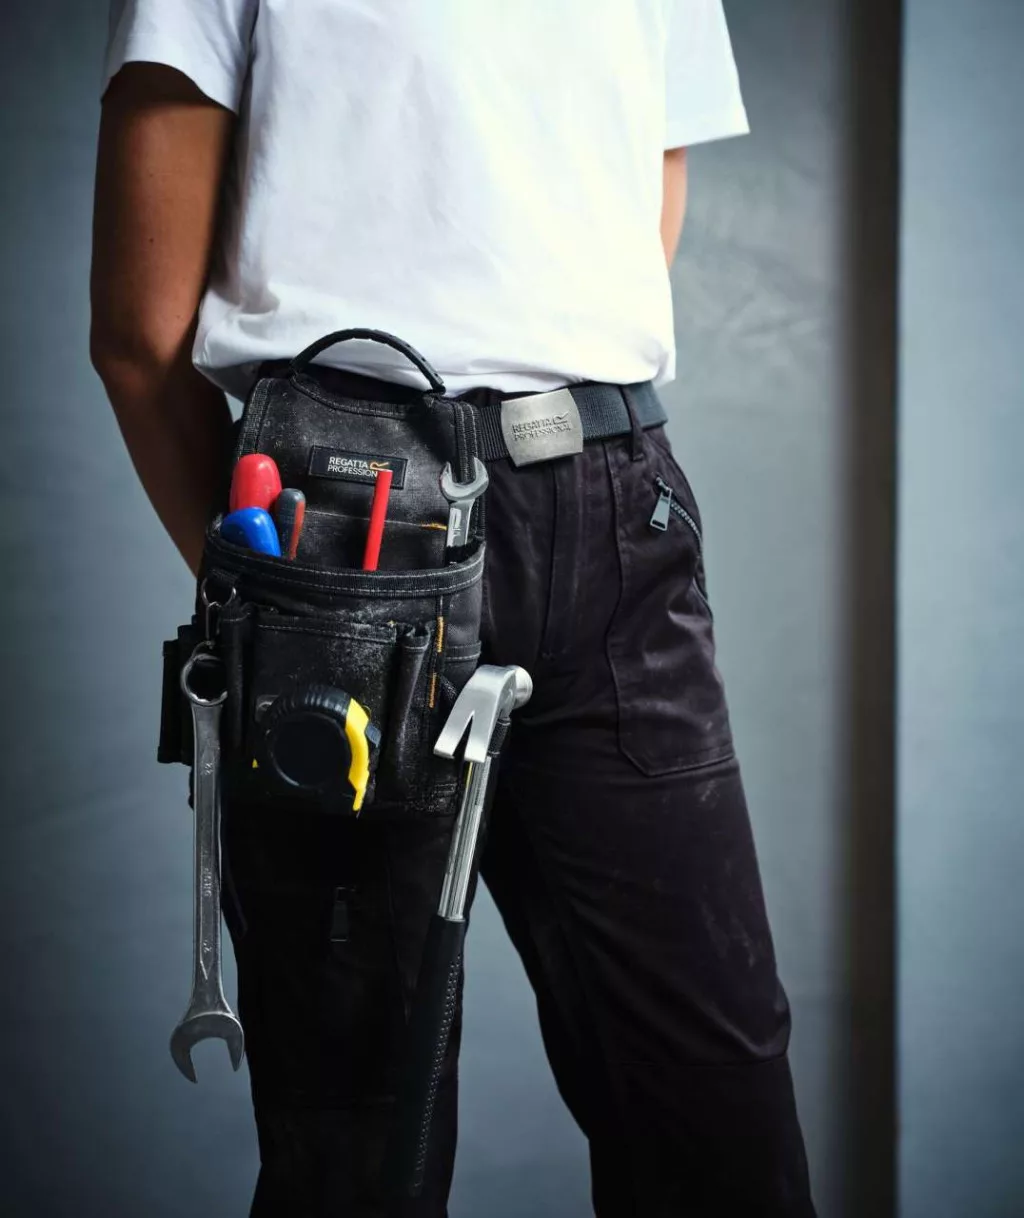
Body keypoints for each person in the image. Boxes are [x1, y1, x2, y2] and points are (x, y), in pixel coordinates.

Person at [90, 3, 816, 1215]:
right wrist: (280, 599)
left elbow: (632, 207)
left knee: (719, 1134)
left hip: (614, 518)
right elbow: (137, 335)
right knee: (354, 1157)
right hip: (343, 535)